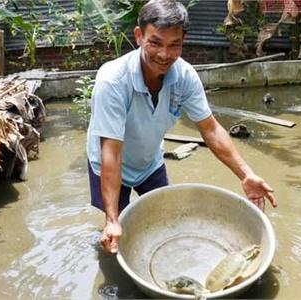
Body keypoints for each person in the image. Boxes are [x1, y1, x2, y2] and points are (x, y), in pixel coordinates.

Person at [87, 0, 277, 255]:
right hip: (109, 164)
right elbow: (111, 151)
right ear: (138, 35)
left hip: (149, 161)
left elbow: (210, 129)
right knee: (115, 238)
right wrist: (111, 220)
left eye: (173, 45)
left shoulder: (185, 76)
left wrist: (245, 174)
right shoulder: (112, 81)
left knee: (163, 222)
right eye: (155, 42)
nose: (164, 55)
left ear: (182, 42)